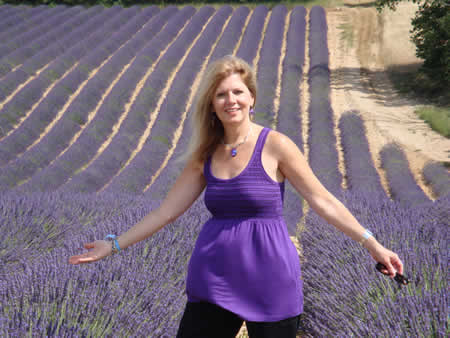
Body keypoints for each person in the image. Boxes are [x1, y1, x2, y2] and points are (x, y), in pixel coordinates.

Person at [69, 55, 404, 338]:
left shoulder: (276, 146)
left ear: (252, 98)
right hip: (214, 278)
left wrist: (373, 244)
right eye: (221, 95)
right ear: (212, 106)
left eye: (238, 92)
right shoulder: (205, 155)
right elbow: (165, 212)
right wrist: (112, 245)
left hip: (271, 279)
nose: (231, 100)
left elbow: (323, 201)